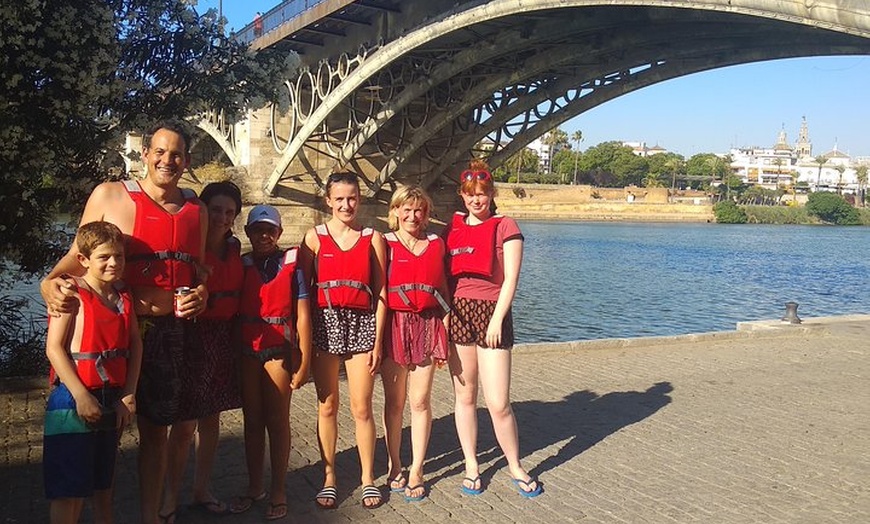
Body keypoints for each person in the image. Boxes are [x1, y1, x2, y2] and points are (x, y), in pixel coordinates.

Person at [40, 120, 209, 524]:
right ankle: (106, 517)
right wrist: (48, 282)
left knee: (156, 433)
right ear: (146, 154)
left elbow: (199, 269)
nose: (168, 160)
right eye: (161, 152)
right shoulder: (110, 196)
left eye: (177, 155)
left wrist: (202, 293)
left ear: (186, 162)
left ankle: (150, 516)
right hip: (117, 330)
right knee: (105, 436)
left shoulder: (196, 210)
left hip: (169, 334)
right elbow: (76, 255)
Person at [443, 159, 542, 498]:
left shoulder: (506, 226)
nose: (476, 200)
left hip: (492, 313)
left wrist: (497, 318)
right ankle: (471, 463)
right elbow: (442, 276)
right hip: (459, 312)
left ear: (492, 194)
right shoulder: (452, 228)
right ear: (462, 195)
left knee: (498, 402)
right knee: (465, 396)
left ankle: (514, 464)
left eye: (482, 194)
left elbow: (511, 278)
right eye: (470, 194)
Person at [43, 221, 143, 524]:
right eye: (104, 257)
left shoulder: (123, 295)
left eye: (119, 256)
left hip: (110, 397)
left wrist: (128, 393)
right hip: (73, 400)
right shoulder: (71, 293)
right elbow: (55, 348)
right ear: (84, 260)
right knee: (68, 490)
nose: (114, 263)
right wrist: (81, 396)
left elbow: (135, 345)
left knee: (102, 483)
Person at [299, 172, 387, 510]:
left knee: (362, 407)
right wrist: (302, 343)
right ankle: (330, 476)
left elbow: (380, 293)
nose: (346, 204)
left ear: (359, 200)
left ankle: (367, 478)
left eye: (352, 198)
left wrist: (378, 341)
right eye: (340, 199)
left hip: (362, 325)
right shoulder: (314, 238)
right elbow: (303, 294)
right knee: (327, 405)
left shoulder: (372, 238)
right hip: (325, 324)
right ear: (328, 201)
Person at [161, 181, 245, 518]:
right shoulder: (187, 249)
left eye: (230, 212)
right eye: (216, 210)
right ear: (203, 211)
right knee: (184, 426)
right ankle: (169, 496)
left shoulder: (235, 248)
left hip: (223, 338)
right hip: (191, 337)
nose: (223, 218)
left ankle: (201, 490)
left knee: (212, 419)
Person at [231, 204, 312, 521]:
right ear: (248, 233)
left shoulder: (293, 265)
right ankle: (255, 487)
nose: (264, 236)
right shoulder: (243, 264)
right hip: (248, 349)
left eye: (270, 230)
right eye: (257, 230)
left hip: (278, 349)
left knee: (277, 422)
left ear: (278, 233)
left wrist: (304, 359)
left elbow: (303, 316)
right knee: (252, 421)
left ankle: (278, 489)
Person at [380, 185, 450, 502]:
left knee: (420, 401)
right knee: (395, 403)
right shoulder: (383, 243)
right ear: (395, 212)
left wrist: (444, 336)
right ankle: (395, 465)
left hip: (427, 325)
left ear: (426, 213)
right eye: (405, 209)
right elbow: (378, 293)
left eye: (418, 210)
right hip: (394, 325)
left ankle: (417, 469)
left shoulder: (436, 244)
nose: (412, 215)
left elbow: (445, 293)